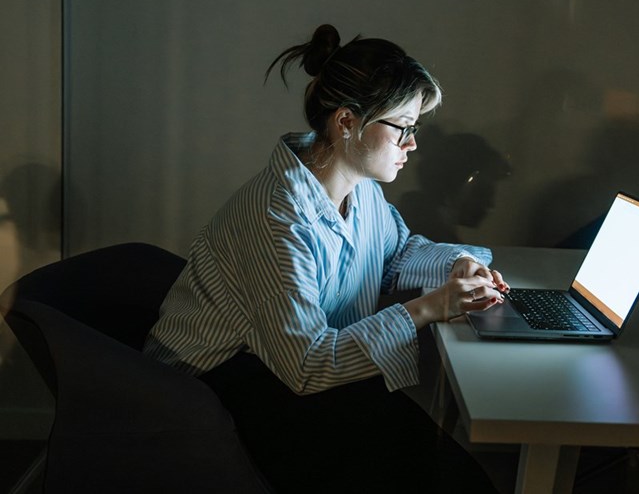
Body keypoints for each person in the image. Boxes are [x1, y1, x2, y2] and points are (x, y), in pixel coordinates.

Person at [144, 24, 510, 494]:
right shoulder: (277, 215)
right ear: (346, 122)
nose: (413, 144)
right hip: (211, 395)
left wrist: (456, 263)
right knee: (422, 463)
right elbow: (306, 364)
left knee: (430, 458)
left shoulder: (361, 191)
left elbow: (397, 254)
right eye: (402, 128)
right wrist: (429, 308)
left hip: (283, 374)